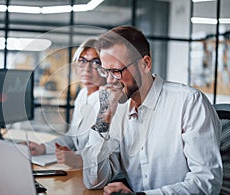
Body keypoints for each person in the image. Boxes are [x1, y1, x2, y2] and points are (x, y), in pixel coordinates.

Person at [81, 25, 223, 194]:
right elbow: (93, 181)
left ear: (145, 64)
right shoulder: (117, 110)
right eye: (105, 71)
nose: (110, 81)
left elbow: (206, 182)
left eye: (117, 71)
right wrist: (103, 117)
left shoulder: (189, 102)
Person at [28, 39, 106, 169]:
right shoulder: (82, 95)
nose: (86, 68)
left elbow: (107, 153)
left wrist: (78, 159)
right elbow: (72, 137)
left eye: (95, 62)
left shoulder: (109, 101)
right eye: (82, 61)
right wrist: (42, 148)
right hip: (81, 172)